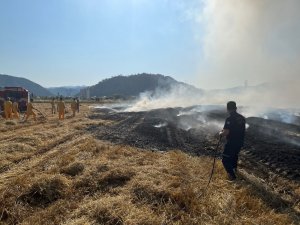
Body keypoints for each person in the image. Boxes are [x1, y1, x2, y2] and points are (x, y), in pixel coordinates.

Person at [219, 101, 245, 181]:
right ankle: (235, 170)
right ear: (236, 108)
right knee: (234, 157)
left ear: (227, 109)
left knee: (225, 160)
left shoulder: (229, 119)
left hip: (231, 142)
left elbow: (226, 132)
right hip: (240, 142)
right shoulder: (242, 118)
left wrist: (220, 133)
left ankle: (232, 177)